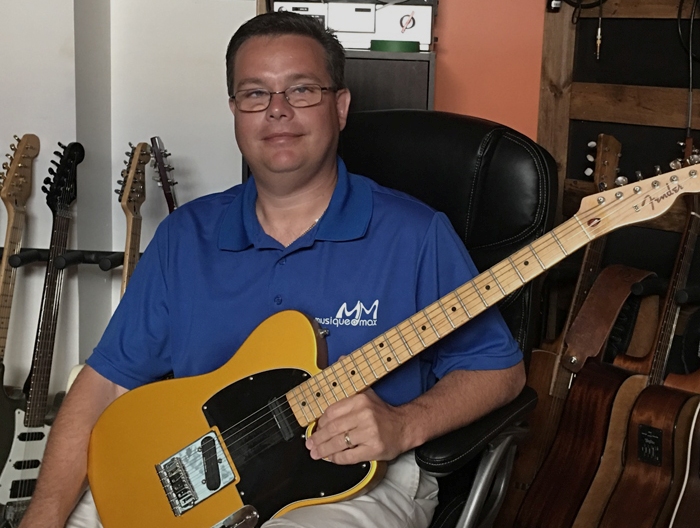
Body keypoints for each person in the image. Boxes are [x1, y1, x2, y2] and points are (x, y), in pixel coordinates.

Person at [19, 11, 525, 528]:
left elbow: (499, 370)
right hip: (190, 467)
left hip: (353, 483)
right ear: (236, 112)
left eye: (302, 90)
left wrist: (402, 425)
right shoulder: (184, 236)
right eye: (255, 94)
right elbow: (105, 384)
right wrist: (42, 517)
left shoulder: (416, 234)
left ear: (341, 107)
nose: (277, 111)